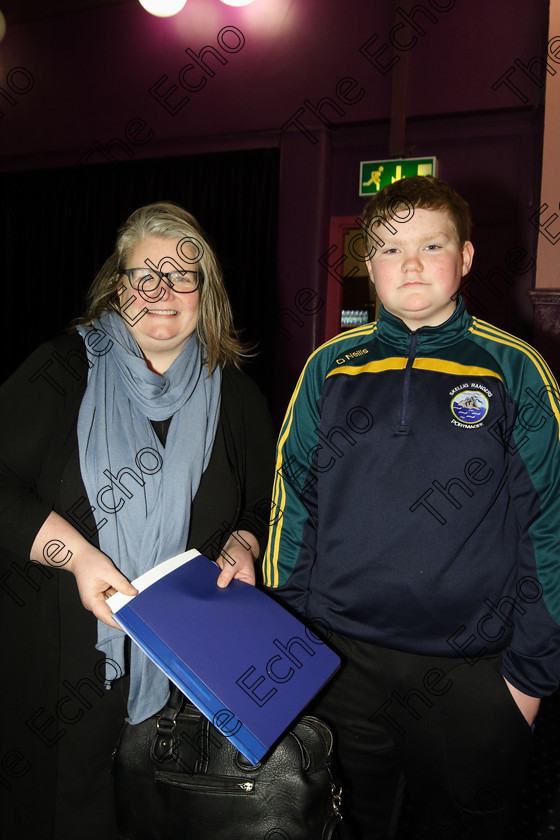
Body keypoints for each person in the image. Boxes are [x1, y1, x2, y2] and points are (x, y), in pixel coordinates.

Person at [263, 176, 560, 839]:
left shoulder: (516, 371)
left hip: (477, 675)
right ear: (369, 266)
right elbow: (292, 513)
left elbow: (552, 526)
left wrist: (530, 682)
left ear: (468, 257)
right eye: (392, 250)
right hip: (340, 666)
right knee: (347, 827)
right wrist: (288, 648)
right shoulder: (328, 369)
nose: (414, 264)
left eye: (433, 244)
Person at [0, 201, 275, 840]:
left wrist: (243, 543)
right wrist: (76, 554)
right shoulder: (60, 369)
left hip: (188, 671)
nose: (159, 291)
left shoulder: (235, 393)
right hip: (61, 670)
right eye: (141, 275)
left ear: (206, 291)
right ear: (116, 286)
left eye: (181, 274)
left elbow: (259, 504)